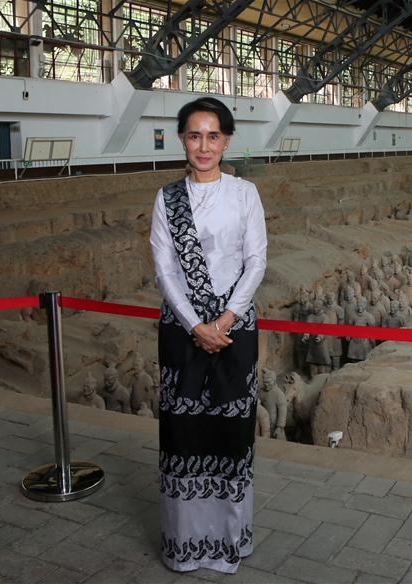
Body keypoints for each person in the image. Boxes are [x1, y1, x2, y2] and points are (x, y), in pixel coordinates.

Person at [150, 97, 267, 574]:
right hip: (183, 334)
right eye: (194, 135)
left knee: (231, 434)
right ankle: (185, 545)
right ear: (182, 139)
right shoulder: (166, 199)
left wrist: (224, 322)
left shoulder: (245, 194)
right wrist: (196, 324)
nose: (204, 145)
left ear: (227, 140)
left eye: (213, 136)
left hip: (235, 333)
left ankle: (228, 542)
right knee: (185, 434)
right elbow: (164, 269)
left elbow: (256, 261)